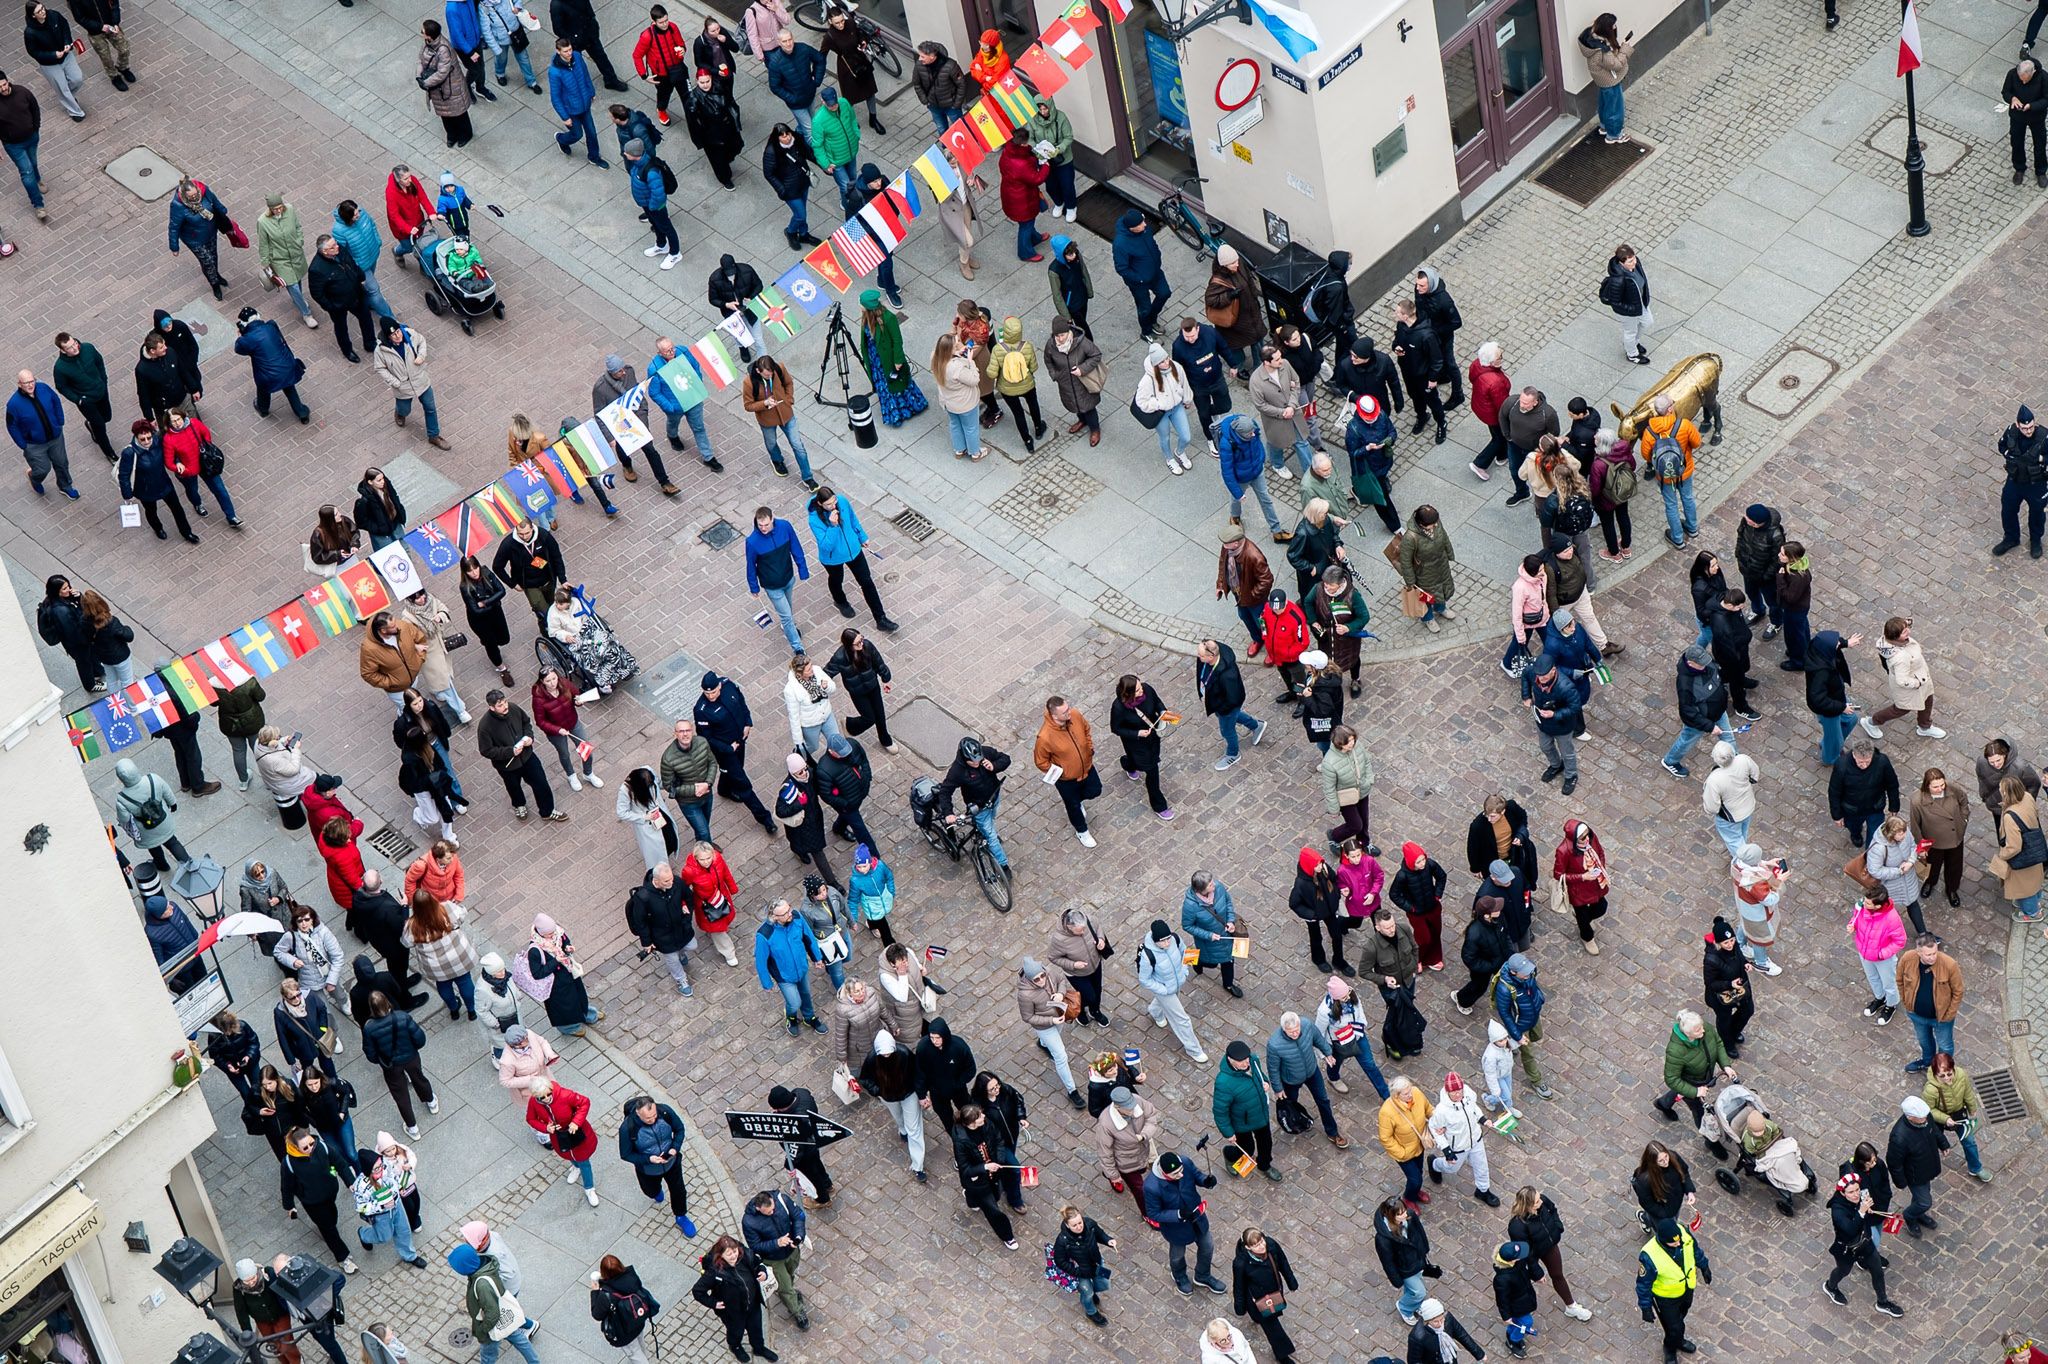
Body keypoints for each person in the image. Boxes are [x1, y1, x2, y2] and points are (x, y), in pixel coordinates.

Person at [807, 487, 895, 629]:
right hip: (833, 558)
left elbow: (853, 519)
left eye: (834, 501)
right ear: (819, 503)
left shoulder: (842, 501)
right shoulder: (814, 520)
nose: (833, 506)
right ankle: (840, 601)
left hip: (853, 550)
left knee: (867, 581)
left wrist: (861, 536)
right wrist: (833, 526)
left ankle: (881, 619)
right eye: (828, 504)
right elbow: (826, 546)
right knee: (836, 579)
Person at [279, 1127, 360, 1271]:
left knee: (332, 1217)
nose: (310, 1148)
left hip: (330, 1192)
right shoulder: (289, 1164)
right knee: (328, 1229)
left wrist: (350, 1181)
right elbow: (286, 1186)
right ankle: (343, 1257)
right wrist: (289, 1206)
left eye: (311, 1144)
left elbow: (339, 1163)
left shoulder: (321, 1146)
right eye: (305, 1147)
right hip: (312, 1202)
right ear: (296, 1148)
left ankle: (329, 1229)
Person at [1823, 1166, 1901, 1313]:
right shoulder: (1837, 1210)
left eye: (1857, 1190)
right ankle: (1830, 1286)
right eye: (1851, 1192)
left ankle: (1882, 1302)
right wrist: (1861, 1212)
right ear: (1842, 1192)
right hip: (1847, 1248)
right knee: (1843, 1271)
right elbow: (1850, 1230)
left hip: (1864, 1242)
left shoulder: (1859, 1196)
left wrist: (1866, 1210)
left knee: (1877, 1271)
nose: (1855, 1195)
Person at [448, 1238, 540, 1364]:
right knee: (518, 1338)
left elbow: (492, 1313)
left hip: (491, 1326)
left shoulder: (481, 1285)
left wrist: (483, 1330)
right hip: (504, 1317)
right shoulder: (485, 1265)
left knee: (488, 1355)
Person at [1266, 1010, 1349, 1148]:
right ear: (1283, 1029)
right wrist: (1278, 1088)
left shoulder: (1306, 1025)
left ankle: (1332, 1132)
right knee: (1291, 1104)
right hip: (1291, 1080)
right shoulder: (1274, 1045)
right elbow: (1273, 1068)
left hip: (1312, 1072)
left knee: (1323, 1100)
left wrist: (1328, 1052)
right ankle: (1296, 1120)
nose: (1295, 1033)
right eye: (1290, 1031)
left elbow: (1318, 1039)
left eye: (1296, 1029)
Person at [1655, 1008, 1733, 1149]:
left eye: (1702, 1027)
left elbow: (1718, 1043)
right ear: (1687, 1033)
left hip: (1703, 1076)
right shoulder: (1675, 1051)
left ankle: (1663, 1103)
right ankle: (1711, 1142)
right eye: (1698, 1031)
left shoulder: (1704, 1028)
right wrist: (1695, 1092)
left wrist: (1725, 1065)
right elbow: (1672, 1079)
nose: (1703, 1031)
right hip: (1692, 1084)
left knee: (1679, 1092)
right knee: (1700, 1113)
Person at [1635, 1218, 1710, 1364]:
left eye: (1679, 1240)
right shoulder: (1649, 1256)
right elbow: (1643, 1284)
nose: (1678, 1243)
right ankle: (1670, 1348)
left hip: (1687, 1288)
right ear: (1663, 1241)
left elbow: (1694, 1249)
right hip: (1666, 1298)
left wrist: (1704, 1265)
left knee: (1681, 1316)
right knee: (1674, 1326)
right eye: (1673, 1243)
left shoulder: (1682, 1232)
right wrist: (1645, 1307)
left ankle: (1677, 1339)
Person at [692, 1235, 777, 1362]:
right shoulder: (714, 1272)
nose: (734, 1256)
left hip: (752, 1305)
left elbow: (757, 1262)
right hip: (732, 1311)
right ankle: (735, 1346)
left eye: (735, 1251)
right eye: (729, 1254)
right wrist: (713, 1303)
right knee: (735, 1332)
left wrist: (762, 1270)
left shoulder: (745, 1255)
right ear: (721, 1255)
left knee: (756, 1329)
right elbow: (697, 1291)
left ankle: (759, 1348)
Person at [618, 1093, 694, 1233]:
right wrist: (649, 1159)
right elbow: (626, 1154)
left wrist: (674, 1149)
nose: (653, 1119)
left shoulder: (664, 1111)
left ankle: (681, 1216)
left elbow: (679, 1129)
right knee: (650, 1191)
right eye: (648, 1118)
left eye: (654, 1116)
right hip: (648, 1169)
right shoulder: (627, 1128)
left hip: (671, 1162)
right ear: (638, 1113)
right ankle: (656, 1191)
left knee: (679, 1191)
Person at [951, 1103, 1020, 1248]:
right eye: (980, 1116)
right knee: (993, 1210)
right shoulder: (961, 1141)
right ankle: (1007, 1236)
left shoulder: (987, 1124)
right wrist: (985, 1167)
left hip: (993, 1173)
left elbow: (999, 1141)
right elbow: (965, 1169)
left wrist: (998, 1161)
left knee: (993, 1195)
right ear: (971, 1123)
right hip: (979, 1180)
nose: (984, 1116)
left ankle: (972, 1200)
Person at [1138, 919, 1207, 1062]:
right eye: (1162, 941)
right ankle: (1194, 1050)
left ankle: (1155, 1011)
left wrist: (1185, 971)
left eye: (1168, 939)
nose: (1167, 943)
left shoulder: (1175, 938)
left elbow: (1187, 952)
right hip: (1164, 989)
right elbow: (1144, 980)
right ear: (1155, 941)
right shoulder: (1148, 955)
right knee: (1182, 1020)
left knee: (1167, 1006)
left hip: (1177, 982)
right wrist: (1163, 990)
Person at [1866, 615, 1946, 738]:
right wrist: (1916, 683)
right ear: (1896, 636)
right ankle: (1872, 721)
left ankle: (1924, 726)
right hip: (1913, 683)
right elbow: (1902, 680)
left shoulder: (1889, 640)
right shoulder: (1900, 658)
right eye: (1904, 631)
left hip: (1920, 677)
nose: (1908, 631)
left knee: (1927, 700)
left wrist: (1905, 623)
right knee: (1901, 709)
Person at [753, 898, 824, 1036]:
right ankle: (791, 1017)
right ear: (774, 917)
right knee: (795, 1003)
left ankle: (809, 1018)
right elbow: (761, 962)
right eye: (785, 913)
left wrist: (817, 958)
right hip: (784, 976)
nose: (790, 913)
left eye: (789, 909)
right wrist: (767, 984)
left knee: (806, 994)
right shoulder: (764, 934)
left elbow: (808, 937)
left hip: (801, 968)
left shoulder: (797, 917)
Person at [742, 357, 816, 488]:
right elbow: (748, 406)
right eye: (766, 375)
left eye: (771, 374)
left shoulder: (779, 368)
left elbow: (788, 383)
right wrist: (764, 403)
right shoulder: (749, 383)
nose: (770, 376)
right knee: (771, 443)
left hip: (786, 414)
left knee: (798, 446)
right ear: (759, 371)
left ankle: (808, 477)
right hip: (767, 419)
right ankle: (777, 460)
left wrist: (789, 399)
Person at [1638, 394, 1701, 547]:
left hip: (1665, 476)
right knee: (1687, 498)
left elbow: (1646, 455)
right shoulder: (1683, 425)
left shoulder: (1649, 432)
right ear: (1670, 409)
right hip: (1684, 471)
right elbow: (1697, 442)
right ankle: (1692, 528)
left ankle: (1678, 538)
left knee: (1671, 504)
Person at [1229, 1228, 1298, 1362]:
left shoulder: (1271, 1245)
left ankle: (1257, 1319)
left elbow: (1283, 1263)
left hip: (1274, 1291)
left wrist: (1291, 1281)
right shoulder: (1241, 1264)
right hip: (1258, 1301)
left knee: (1271, 1318)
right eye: (1256, 1245)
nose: (1262, 1246)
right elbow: (1239, 1286)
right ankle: (1282, 1355)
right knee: (1274, 1330)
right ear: (1248, 1247)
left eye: (1261, 1241)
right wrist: (1240, 1307)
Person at [1195, 638, 1264, 772]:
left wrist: (1220, 708)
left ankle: (1233, 754)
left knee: (1227, 730)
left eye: (1201, 655)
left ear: (1211, 656)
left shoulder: (1227, 675)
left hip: (1225, 706)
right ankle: (1256, 725)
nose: (1198, 657)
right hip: (1217, 701)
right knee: (1234, 716)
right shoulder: (1208, 657)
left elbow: (1232, 699)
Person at [1886, 1094, 1949, 1237]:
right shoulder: (1899, 1137)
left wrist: (1943, 1144)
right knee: (1924, 1202)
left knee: (1921, 1198)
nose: (1925, 1119)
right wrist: (1901, 1183)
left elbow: (1935, 1131)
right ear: (1910, 1117)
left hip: (1927, 1167)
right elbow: (1894, 1162)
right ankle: (1909, 1216)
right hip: (1915, 1175)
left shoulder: (1925, 1118)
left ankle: (1918, 1215)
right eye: (1921, 1118)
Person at [7, 368, 77, 497]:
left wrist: (60, 421)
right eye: (26, 383)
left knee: (62, 463)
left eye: (32, 381)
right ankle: (34, 478)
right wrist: (23, 445)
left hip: (55, 437)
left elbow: (55, 400)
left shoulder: (44, 388)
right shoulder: (13, 404)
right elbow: (12, 426)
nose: (30, 385)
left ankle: (65, 486)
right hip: (34, 444)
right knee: (42, 469)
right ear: (19, 384)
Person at [1250, 345, 1315, 479]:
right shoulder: (1256, 381)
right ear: (1267, 362)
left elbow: (1296, 382)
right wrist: (1282, 412)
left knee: (1301, 442)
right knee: (1276, 443)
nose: (1281, 361)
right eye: (1277, 359)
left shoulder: (1285, 364)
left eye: (1280, 357)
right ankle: (1277, 464)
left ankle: (1311, 475)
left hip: (1294, 414)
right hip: (1275, 420)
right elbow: (1260, 405)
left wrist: (1291, 406)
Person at [985, 314, 1046, 448]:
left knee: (1018, 413)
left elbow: (992, 373)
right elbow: (1034, 367)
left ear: (1005, 331)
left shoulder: (997, 350)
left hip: (1007, 389)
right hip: (1027, 385)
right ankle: (1038, 429)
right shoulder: (1027, 347)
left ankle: (1027, 441)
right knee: (1033, 404)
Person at [1524, 654, 1582, 795]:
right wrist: (1526, 695)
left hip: (1562, 726)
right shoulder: (1533, 673)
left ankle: (1571, 775)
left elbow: (1575, 707)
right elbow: (1525, 675)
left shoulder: (1566, 687)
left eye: (1544, 676)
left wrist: (1555, 714)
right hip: (1542, 721)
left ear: (1553, 670)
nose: (1541, 679)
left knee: (1567, 753)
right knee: (1545, 746)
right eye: (1539, 675)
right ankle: (1556, 765)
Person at [1994, 404, 2048, 556]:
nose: (2028, 431)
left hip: (2036, 483)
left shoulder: (2044, 437)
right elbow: (2001, 445)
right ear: (2018, 425)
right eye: (2025, 428)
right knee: (2008, 510)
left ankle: (2036, 540)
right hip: (2015, 481)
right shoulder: (2012, 432)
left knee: (2037, 514)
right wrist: (2009, 456)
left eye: (2031, 427)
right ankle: (2011, 538)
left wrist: (2041, 459)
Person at [1136, 341, 1197, 473]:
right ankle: (1169, 459)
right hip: (1161, 412)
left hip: (1176, 407)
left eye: (1167, 358)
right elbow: (1141, 401)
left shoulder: (1176, 367)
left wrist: (1187, 399)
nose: (1166, 362)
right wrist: (1158, 404)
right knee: (1165, 437)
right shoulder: (1148, 379)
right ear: (1156, 364)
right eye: (1162, 362)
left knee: (1186, 437)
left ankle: (1180, 452)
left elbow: (1184, 384)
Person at [1551, 817, 1610, 953]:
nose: (1587, 839)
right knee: (1583, 918)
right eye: (1582, 838)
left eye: (1587, 835)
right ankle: (1587, 937)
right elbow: (1558, 875)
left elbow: (1600, 852)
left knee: (1601, 907)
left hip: (1595, 883)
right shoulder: (1563, 851)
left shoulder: (1591, 836)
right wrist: (1583, 876)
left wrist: (1600, 867)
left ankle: (1583, 919)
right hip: (1578, 889)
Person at [1205, 244, 1264, 378]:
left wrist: (1254, 295)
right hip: (1235, 321)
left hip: (1251, 313)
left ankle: (1259, 366)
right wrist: (1229, 296)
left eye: (1237, 261)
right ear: (1224, 265)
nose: (1237, 265)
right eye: (1232, 263)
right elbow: (1211, 300)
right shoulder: (1217, 281)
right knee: (1235, 347)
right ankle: (1239, 367)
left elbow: (1249, 279)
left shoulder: (1238, 263)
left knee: (1257, 339)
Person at [1579, 12, 1633, 141]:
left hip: (1602, 80)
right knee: (1614, 108)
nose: (1615, 27)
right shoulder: (1602, 52)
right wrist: (1625, 50)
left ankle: (1604, 127)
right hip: (1610, 80)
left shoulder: (1591, 36)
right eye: (1613, 26)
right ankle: (1614, 135)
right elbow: (1617, 65)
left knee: (1605, 104)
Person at [996, 131, 1049, 262]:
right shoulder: (1020, 165)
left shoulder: (1007, 153)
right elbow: (1036, 178)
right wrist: (1045, 166)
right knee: (1026, 225)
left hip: (1012, 195)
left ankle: (1035, 238)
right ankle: (1025, 253)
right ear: (1022, 144)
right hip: (1023, 200)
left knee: (1027, 223)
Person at [763, 27, 823, 134]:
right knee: (810, 131)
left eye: (790, 39)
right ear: (779, 43)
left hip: (810, 94)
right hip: (796, 103)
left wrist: (816, 80)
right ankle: (815, 150)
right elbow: (775, 86)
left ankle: (799, 135)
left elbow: (820, 59)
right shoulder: (775, 63)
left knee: (812, 121)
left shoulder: (803, 49)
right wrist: (791, 98)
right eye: (784, 41)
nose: (788, 43)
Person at [911, 38, 967, 133]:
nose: (920, 59)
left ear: (932, 56)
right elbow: (917, 84)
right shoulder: (919, 65)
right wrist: (925, 101)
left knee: (961, 129)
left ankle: (966, 145)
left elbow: (962, 85)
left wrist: (956, 104)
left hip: (951, 106)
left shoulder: (951, 65)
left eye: (923, 56)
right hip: (933, 105)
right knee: (941, 129)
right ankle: (945, 146)